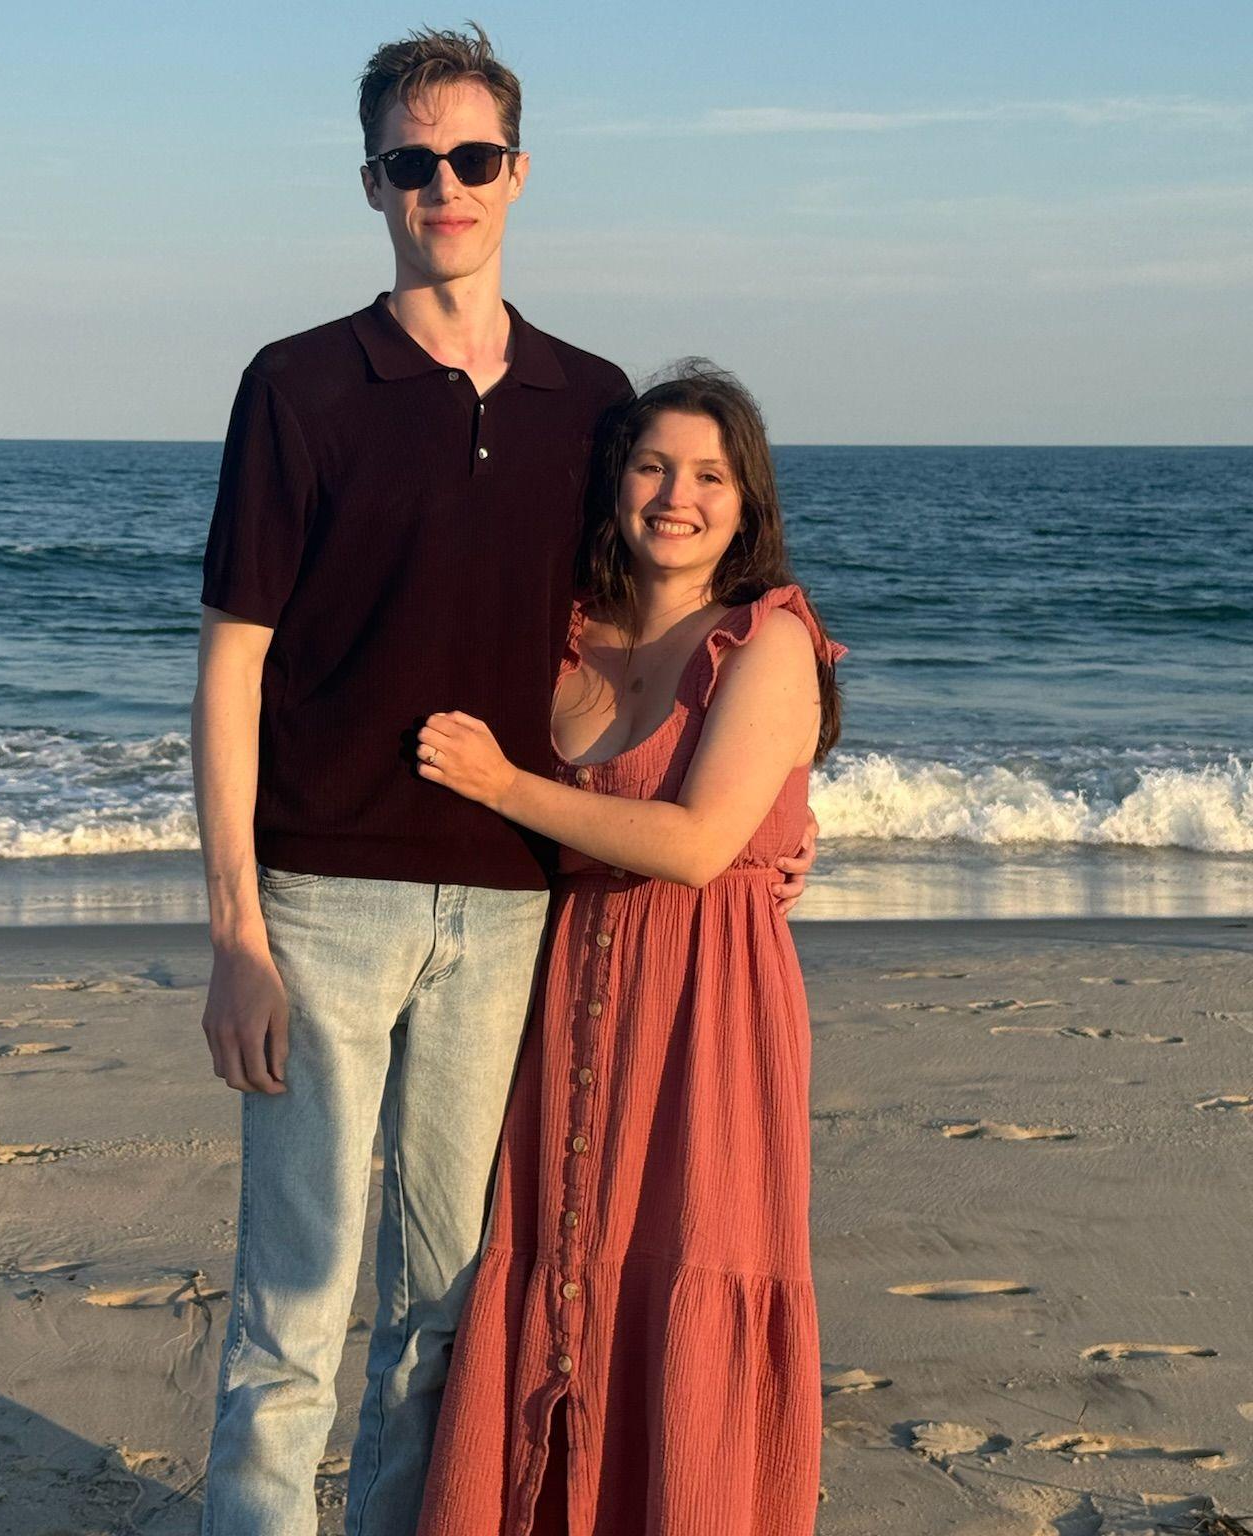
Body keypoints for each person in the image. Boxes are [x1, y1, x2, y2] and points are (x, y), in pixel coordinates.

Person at [191, 27, 817, 1536]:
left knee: (447, 1302)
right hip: (326, 892)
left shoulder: (589, 402)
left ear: (517, 176)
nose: (446, 187)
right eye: (415, 164)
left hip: (510, 915)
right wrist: (234, 933)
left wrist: (759, 744)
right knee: (296, 1297)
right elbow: (229, 667)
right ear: (374, 185)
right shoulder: (297, 384)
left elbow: (658, 593)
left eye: (473, 159)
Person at [412, 362, 846, 1536]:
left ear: (746, 504)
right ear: (614, 485)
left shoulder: (768, 640)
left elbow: (701, 843)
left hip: (709, 1004)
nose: (676, 495)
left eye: (710, 474)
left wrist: (505, 783)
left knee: (685, 1265)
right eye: (652, 465)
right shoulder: (560, 632)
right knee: (551, 1270)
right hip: (556, 989)